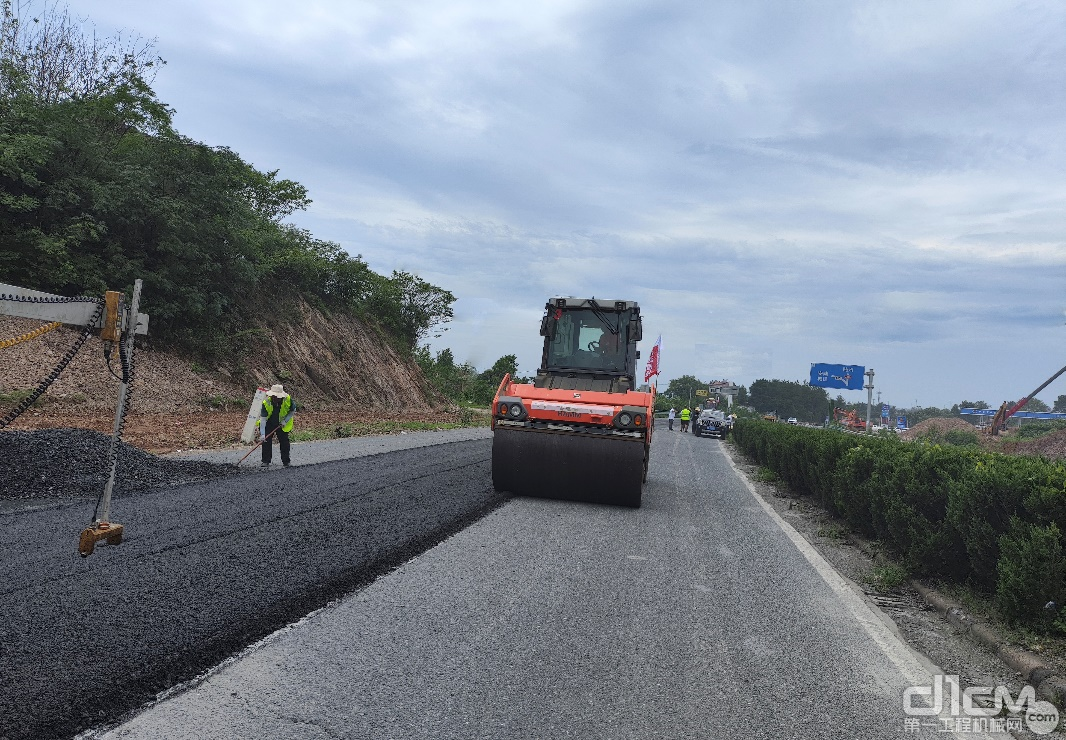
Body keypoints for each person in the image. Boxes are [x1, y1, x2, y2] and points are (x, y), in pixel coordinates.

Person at [258, 384, 295, 467]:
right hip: (269, 422)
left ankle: (286, 461)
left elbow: (292, 411)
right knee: (266, 441)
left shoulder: (288, 399)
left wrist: (285, 421)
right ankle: (265, 461)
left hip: (282, 423)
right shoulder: (266, 402)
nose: (275, 398)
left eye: (277, 396)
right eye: (273, 396)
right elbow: (263, 419)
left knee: (284, 441)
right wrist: (263, 434)